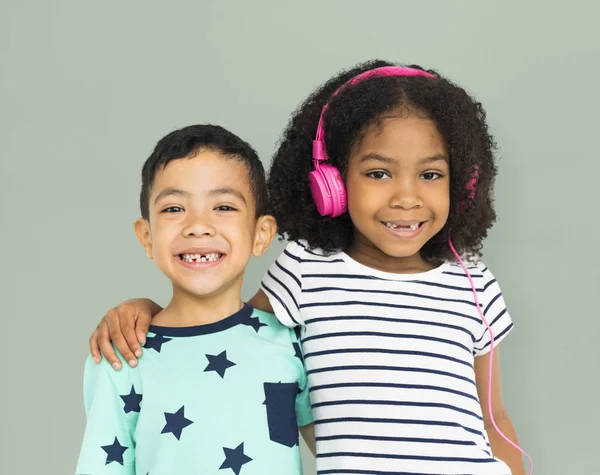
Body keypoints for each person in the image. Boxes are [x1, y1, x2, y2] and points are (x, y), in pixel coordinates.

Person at [88, 61, 530, 474]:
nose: (407, 198)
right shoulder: (305, 269)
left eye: (431, 175)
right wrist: (145, 309)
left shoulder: (473, 283)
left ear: (463, 184)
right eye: (379, 174)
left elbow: (496, 416)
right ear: (331, 183)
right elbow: (226, 324)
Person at [76, 124, 314, 475]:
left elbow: (345, 456)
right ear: (147, 237)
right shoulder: (122, 355)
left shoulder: (292, 341)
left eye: (224, 207)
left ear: (261, 234)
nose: (198, 226)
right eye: (174, 209)